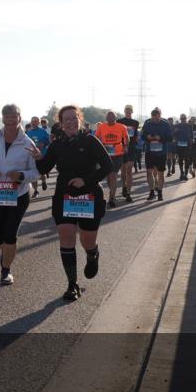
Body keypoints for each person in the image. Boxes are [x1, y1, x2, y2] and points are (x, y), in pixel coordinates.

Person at [29, 105, 113, 301]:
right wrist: (38, 158)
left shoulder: (90, 140)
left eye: (74, 118)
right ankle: (72, 284)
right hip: (64, 196)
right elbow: (44, 167)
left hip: (90, 195)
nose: (70, 121)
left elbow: (107, 166)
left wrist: (86, 181)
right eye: (66, 119)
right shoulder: (57, 144)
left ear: (80, 119)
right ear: (60, 123)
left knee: (87, 240)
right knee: (66, 235)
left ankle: (92, 254)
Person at [0, 104, 40, 285]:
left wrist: (21, 176)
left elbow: (35, 172)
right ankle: (8, 252)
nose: (11, 120)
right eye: (7, 116)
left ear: (20, 118)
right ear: (3, 118)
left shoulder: (28, 143)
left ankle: (6, 270)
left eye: (15, 116)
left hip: (18, 195)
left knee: (10, 234)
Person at [95, 111, 128, 207]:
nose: (110, 119)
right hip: (105, 154)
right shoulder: (101, 127)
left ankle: (112, 197)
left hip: (118, 153)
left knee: (113, 175)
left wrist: (126, 146)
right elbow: (96, 137)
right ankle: (112, 192)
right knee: (109, 177)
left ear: (115, 118)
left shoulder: (121, 127)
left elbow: (126, 138)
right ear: (106, 118)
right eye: (108, 117)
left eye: (112, 117)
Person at [141, 107, 173, 201]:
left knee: (160, 173)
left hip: (161, 153)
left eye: (156, 116)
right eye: (153, 117)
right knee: (149, 172)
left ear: (160, 116)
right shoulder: (147, 124)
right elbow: (142, 136)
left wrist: (161, 138)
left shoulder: (165, 124)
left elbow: (170, 138)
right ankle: (151, 192)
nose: (154, 118)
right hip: (150, 152)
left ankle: (160, 192)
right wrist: (148, 137)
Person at [116, 105, 140, 202]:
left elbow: (135, 135)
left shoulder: (135, 123)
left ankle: (129, 193)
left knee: (129, 170)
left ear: (132, 112)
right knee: (123, 170)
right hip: (122, 147)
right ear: (124, 111)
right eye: (127, 111)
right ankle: (124, 186)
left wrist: (136, 139)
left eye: (130, 111)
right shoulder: (119, 122)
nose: (128, 113)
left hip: (132, 147)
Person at [25, 116, 51, 198]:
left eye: (36, 121)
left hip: (42, 156)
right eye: (33, 121)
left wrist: (43, 143)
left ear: (38, 123)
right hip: (32, 156)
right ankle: (36, 191)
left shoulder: (43, 131)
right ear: (31, 122)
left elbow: (49, 141)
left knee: (41, 173)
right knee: (33, 174)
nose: (34, 122)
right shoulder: (28, 133)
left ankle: (43, 181)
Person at [171, 114, 193, 182]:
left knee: (187, 159)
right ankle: (181, 173)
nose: (183, 120)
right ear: (180, 119)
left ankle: (186, 174)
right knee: (180, 160)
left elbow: (191, 135)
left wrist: (191, 141)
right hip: (179, 145)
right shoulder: (176, 126)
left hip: (187, 145)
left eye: (184, 119)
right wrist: (175, 132)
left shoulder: (189, 126)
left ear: (186, 119)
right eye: (182, 119)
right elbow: (172, 134)